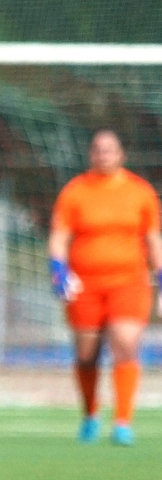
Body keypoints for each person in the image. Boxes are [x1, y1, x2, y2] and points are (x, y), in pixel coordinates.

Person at [49, 128, 162, 446]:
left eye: (109, 150)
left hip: (129, 282)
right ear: (91, 155)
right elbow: (59, 237)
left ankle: (123, 421)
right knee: (87, 355)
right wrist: (58, 271)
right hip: (85, 285)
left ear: (121, 154)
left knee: (125, 344)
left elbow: (153, 239)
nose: (104, 155)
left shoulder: (140, 192)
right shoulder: (75, 192)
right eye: (98, 150)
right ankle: (90, 414)